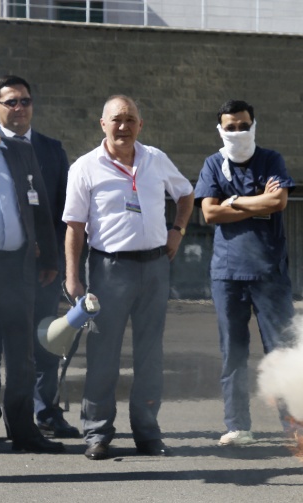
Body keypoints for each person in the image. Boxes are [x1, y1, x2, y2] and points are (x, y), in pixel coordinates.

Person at [63, 95, 194, 460]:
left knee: (150, 355)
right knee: (103, 354)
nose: (124, 126)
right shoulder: (86, 167)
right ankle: (97, 433)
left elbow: (185, 194)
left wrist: (177, 230)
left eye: (130, 119)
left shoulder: (156, 159)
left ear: (141, 125)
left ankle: (148, 432)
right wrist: (73, 278)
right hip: (108, 269)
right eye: (116, 120)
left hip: (154, 267)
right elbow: (74, 227)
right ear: (102, 124)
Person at [194, 100, 296, 446]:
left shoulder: (271, 160)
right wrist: (253, 201)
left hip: (270, 274)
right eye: (231, 126)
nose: (238, 131)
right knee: (233, 352)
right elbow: (208, 213)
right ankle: (238, 425)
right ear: (221, 129)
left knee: (282, 352)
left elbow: (277, 202)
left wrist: (233, 202)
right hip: (227, 274)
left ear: (254, 124)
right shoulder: (212, 164)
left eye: (243, 124)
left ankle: (294, 426)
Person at [0, 75, 79, 440]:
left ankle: (24, 428)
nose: (20, 109)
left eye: (25, 102)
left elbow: (43, 209)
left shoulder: (21, 152)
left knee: (23, 354)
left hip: (17, 267)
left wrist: (50, 260)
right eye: (11, 102)